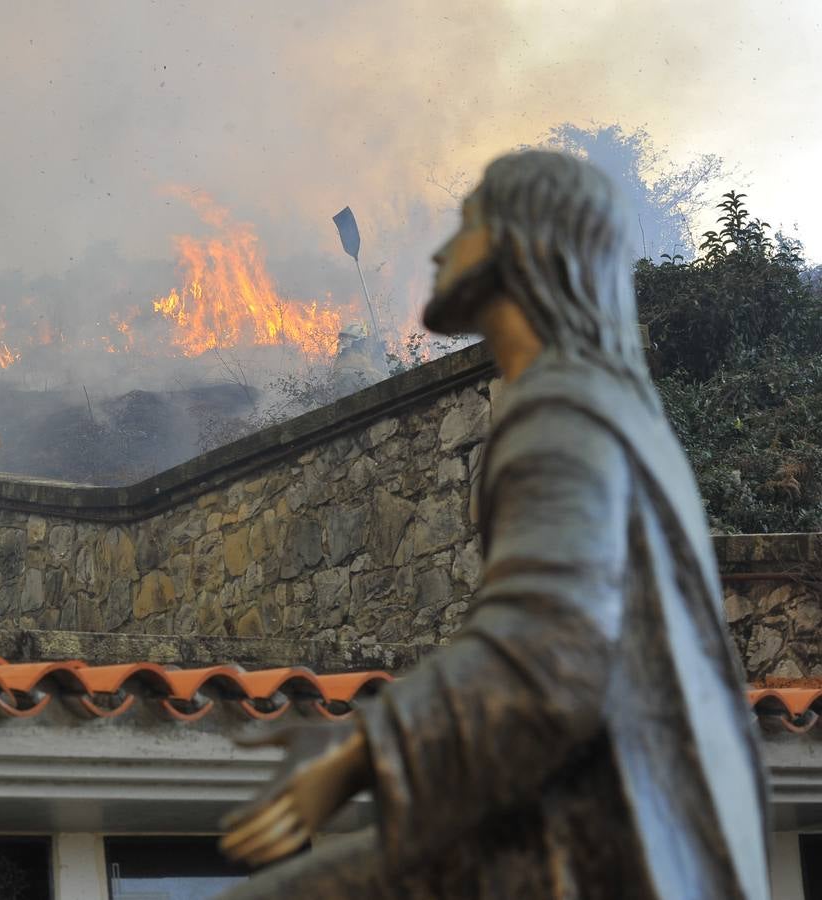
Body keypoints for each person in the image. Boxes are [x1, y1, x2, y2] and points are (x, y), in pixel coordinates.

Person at [216, 150, 770, 899]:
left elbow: (547, 655)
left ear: (525, 241)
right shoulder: (608, 407)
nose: (444, 248)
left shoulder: (562, 410)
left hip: (596, 846)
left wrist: (354, 754)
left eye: (470, 223)